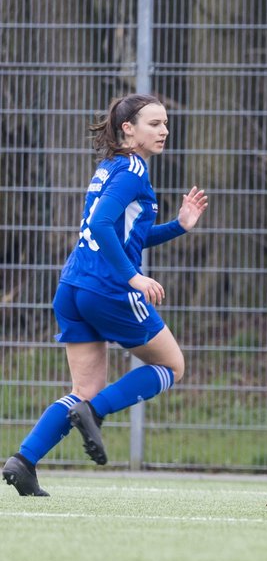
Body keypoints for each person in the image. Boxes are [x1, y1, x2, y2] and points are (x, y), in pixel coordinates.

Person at [3, 94, 208, 497]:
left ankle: (23, 463)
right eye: (154, 123)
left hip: (73, 287)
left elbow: (126, 233)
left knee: (85, 389)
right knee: (172, 366)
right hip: (107, 290)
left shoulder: (111, 167)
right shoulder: (132, 170)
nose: (164, 130)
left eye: (165, 122)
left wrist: (179, 226)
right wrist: (133, 278)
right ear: (127, 129)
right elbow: (100, 225)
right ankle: (93, 414)